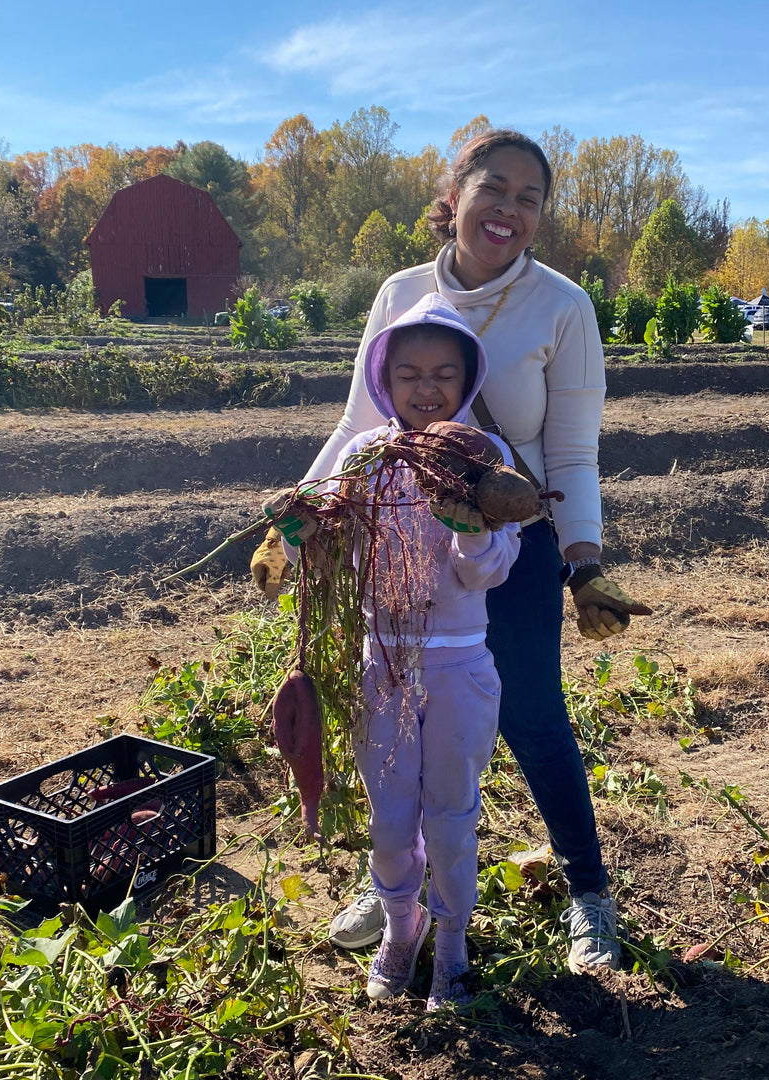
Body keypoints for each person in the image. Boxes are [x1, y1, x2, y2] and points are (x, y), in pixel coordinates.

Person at [252, 128, 650, 972]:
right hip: (397, 544)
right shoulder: (400, 291)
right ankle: (396, 875)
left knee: (533, 717)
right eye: (494, 189)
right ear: (457, 194)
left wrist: (585, 562)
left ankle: (589, 895)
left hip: (512, 542)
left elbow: (573, 451)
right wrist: (294, 520)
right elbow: (361, 424)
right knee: (390, 713)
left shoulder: (561, 306)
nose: (509, 210)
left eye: (529, 198)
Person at [277, 292, 522, 1008]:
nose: (426, 386)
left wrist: (468, 528)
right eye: (409, 371)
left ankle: (452, 943)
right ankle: (400, 924)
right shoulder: (363, 455)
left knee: (450, 818)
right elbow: (331, 544)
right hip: (378, 662)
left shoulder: (483, 458)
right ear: (384, 377)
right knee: (389, 819)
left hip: (459, 665)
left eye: (444, 372)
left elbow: (489, 571)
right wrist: (300, 531)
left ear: (467, 379)